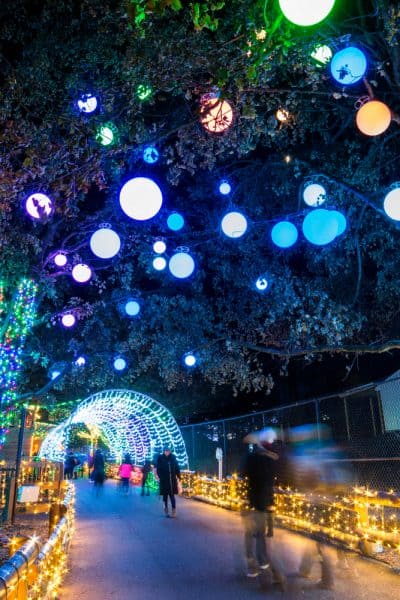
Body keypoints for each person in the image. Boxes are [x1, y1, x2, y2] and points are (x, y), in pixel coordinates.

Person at [241, 429, 286, 586]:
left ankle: (253, 565)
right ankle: (263, 565)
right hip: (266, 502)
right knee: (261, 535)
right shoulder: (273, 459)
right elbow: (274, 480)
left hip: (252, 501)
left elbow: (245, 473)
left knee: (250, 534)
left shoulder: (252, 458)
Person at [156, 446, 180, 517]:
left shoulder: (173, 458)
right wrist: (161, 477)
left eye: (168, 451)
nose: (167, 452)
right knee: (165, 497)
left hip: (172, 480)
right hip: (164, 480)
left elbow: (177, 467)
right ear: (164, 451)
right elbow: (158, 469)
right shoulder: (160, 458)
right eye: (166, 451)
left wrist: (178, 476)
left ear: (170, 451)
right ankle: (166, 510)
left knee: (172, 496)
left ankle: (174, 510)